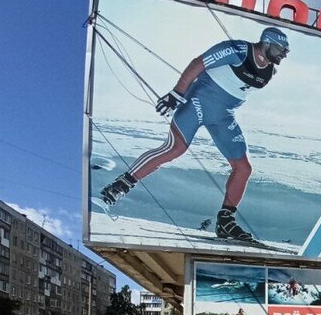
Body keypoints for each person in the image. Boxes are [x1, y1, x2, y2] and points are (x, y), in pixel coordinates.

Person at [99, 27, 291, 241]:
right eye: (281, 49)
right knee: (175, 148)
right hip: (197, 102)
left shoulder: (270, 71)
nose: (284, 54)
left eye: (286, 51)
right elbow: (198, 63)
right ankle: (120, 185)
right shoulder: (236, 50)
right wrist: (177, 93)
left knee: (243, 168)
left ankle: (226, 221)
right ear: (266, 43)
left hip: (223, 116)